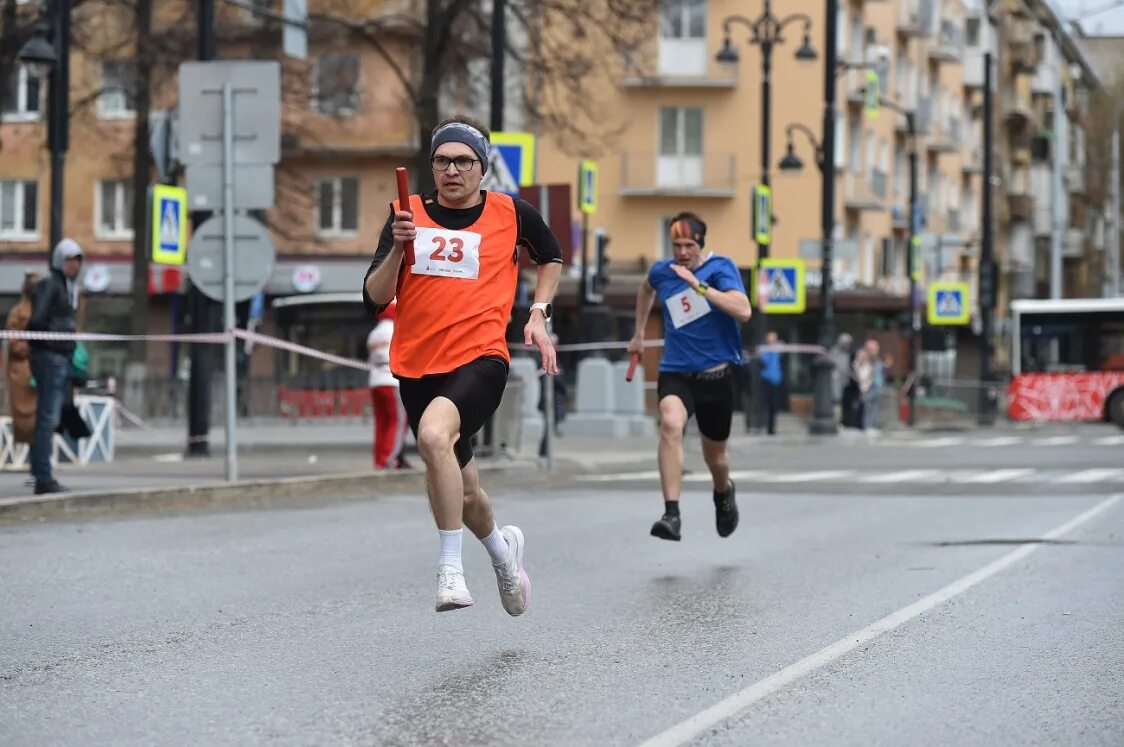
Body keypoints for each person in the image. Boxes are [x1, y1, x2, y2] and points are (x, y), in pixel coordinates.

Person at [362, 115, 562, 614]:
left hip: (481, 357)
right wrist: (400, 249)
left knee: (433, 437)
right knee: (465, 489)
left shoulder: (510, 213)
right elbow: (373, 296)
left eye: (464, 161)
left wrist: (538, 313)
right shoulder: (406, 213)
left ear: (483, 166)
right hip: (417, 365)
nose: (452, 170)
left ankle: (450, 571)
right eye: (443, 160)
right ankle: (502, 553)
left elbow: (552, 255)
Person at [628, 212, 752, 542]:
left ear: (701, 243)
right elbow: (645, 290)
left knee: (717, 459)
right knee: (670, 423)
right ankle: (672, 513)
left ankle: (723, 492)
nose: (682, 252)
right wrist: (639, 333)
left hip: (716, 378)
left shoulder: (721, 268)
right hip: (676, 372)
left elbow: (743, 310)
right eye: (676, 245)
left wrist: (699, 286)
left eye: (688, 245)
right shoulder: (662, 272)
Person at [27, 239, 83, 495]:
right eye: (70, 259)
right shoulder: (51, 286)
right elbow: (36, 322)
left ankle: (41, 473)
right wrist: (57, 340)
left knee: (52, 418)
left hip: (59, 359)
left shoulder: (66, 287)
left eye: (78, 260)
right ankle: (42, 477)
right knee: (47, 419)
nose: (75, 265)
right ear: (61, 260)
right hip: (50, 358)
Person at [367, 300, 405, 470]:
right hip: (392, 380)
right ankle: (390, 459)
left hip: (375, 380)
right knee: (397, 422)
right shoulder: (396, 329)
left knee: (381, 422)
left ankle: (379, 459)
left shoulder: (374, 333)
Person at [5, 271, 41, 446]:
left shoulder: (44, 310)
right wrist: (29, 348)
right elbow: (13, 341)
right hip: (22, 370)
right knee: (22, 416)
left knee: (41, 415)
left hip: (41, 367)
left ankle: (39, 454)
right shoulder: (17, 311)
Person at [759, 330, 783, 436]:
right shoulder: (764, 349)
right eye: (769, 338)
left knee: (774, 405)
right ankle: (765, 426)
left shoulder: (779, 347)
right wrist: (770, 351)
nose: (771, 340)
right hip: (766, 379)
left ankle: (772, 427)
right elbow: (765, 361)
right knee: (766, 404)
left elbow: (783, 345)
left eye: (773, 338)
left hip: (776, 379)